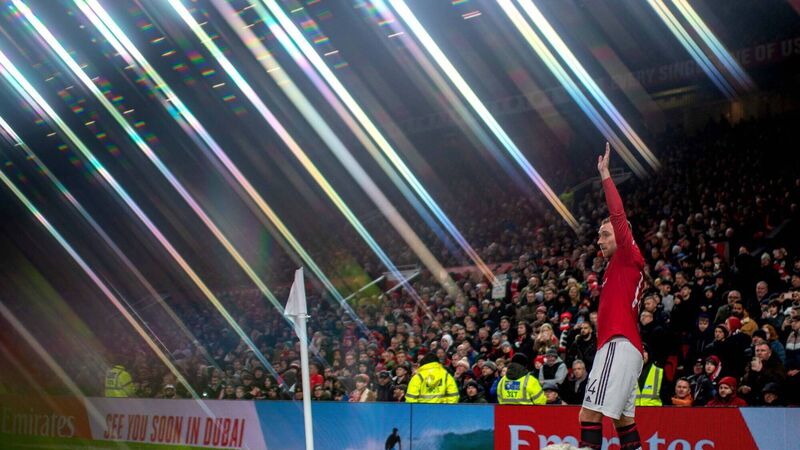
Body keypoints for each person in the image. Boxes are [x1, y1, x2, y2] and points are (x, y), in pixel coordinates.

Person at [579, 144, 645, 450]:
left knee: (588, 415)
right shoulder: (617, 268)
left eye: (605, 234)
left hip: (618, 345)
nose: (599, 240)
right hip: (625, 347)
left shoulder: (627, 256)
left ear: (623, 235)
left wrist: (605, 174)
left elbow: (618, 214)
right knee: (623, 422)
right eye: (598, 235)